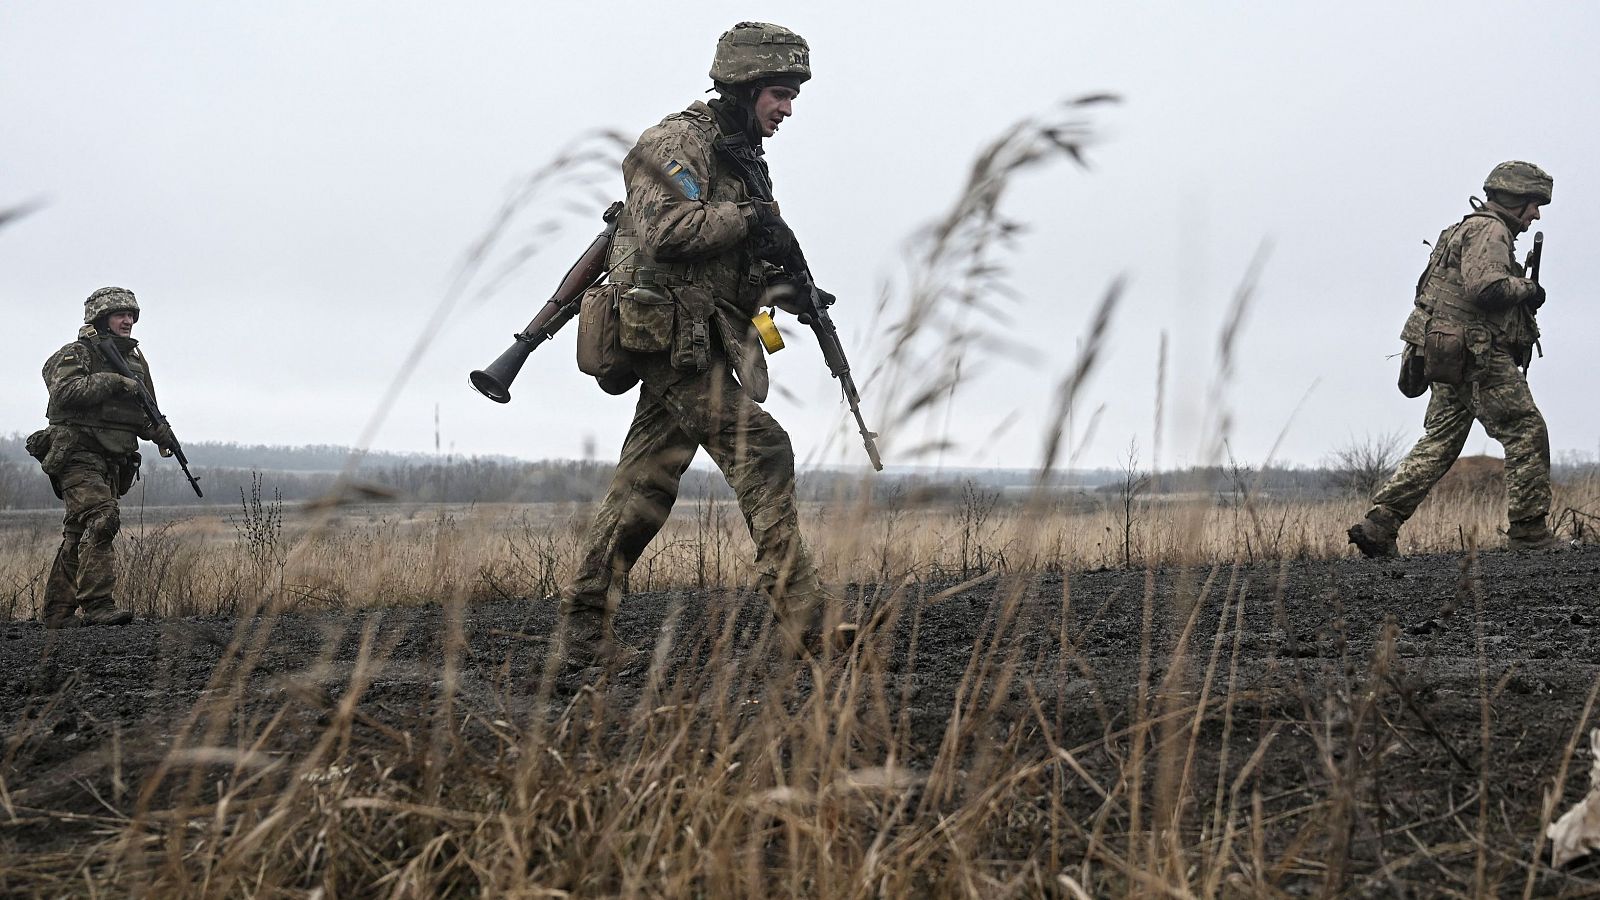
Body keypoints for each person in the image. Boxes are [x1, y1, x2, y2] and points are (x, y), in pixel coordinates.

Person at [556, 22, 840, 671]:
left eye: (793, 94)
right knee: (763, 448)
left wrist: (786, 292)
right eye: (779, 92)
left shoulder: (741, 155)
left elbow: (727, 265)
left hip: (697, 337)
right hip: (662, 336)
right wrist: (752, 218)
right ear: (743, 86)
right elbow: (665, 231)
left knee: (645, 483)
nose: (788, 108)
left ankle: (582, 631)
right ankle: (806, 619)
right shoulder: (680, 140)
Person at [1349, 161, 1564, 557]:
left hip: (1449, 356)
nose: (1535, 215)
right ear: (1515, 200)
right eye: (1533, 205)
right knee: (1526, 429)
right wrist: (1528, 289)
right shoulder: (1490, 230)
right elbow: (1486, 287)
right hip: (1477, 357)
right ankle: (1530, 533)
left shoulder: (1466, 227)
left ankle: (1379, 524)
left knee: (1441, 441)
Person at [30, 287, 177, 627]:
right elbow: (64, 393)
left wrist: (159, 433)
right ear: (100, 318)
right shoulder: (76, 354)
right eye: (120, 314)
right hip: (76, 452)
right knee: (102, 518)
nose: (128, 320)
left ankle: (57, 614)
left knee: (79, 532)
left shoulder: (136, 361)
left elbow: (141, 411)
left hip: (112, 457)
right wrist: (112, 381)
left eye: (132, 315)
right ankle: (98, 607)